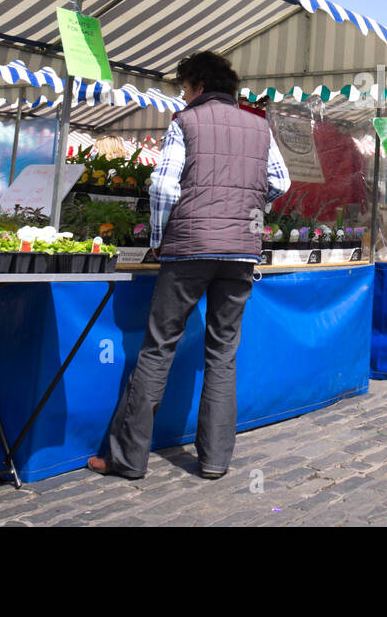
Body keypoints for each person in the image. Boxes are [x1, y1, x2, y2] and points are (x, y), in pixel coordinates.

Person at [89, 51, 290, 480]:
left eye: (182, 86)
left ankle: (127, 459)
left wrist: (160, 237)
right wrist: (247, 209)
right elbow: (280, 182)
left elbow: (163, 185)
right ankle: (215, 461)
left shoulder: (185, 122)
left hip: (188, 250)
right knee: (222, 355)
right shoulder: (259, 127)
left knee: (158, 347)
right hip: (240, 253)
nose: (182, 94)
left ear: (197, 85)